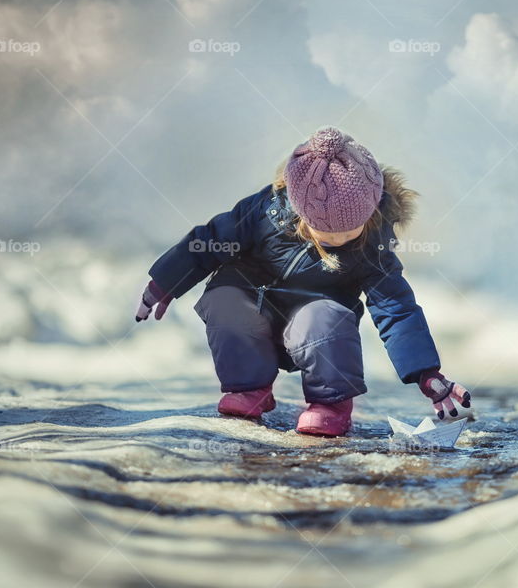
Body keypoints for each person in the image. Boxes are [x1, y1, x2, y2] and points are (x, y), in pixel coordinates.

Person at [135, 126, 471, 437]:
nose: (337, 239)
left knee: (323, 318)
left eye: (347, 231)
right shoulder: (264, 212)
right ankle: (249, 389)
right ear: (300, 211)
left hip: (316, 326)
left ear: (369, 214)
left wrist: (426, 373)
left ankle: (330, 403)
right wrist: (165, 281)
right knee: (225, 301)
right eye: (324, 231)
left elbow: (396, 308)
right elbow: (210, 240)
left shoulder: (372, 247)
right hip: (254, 306)